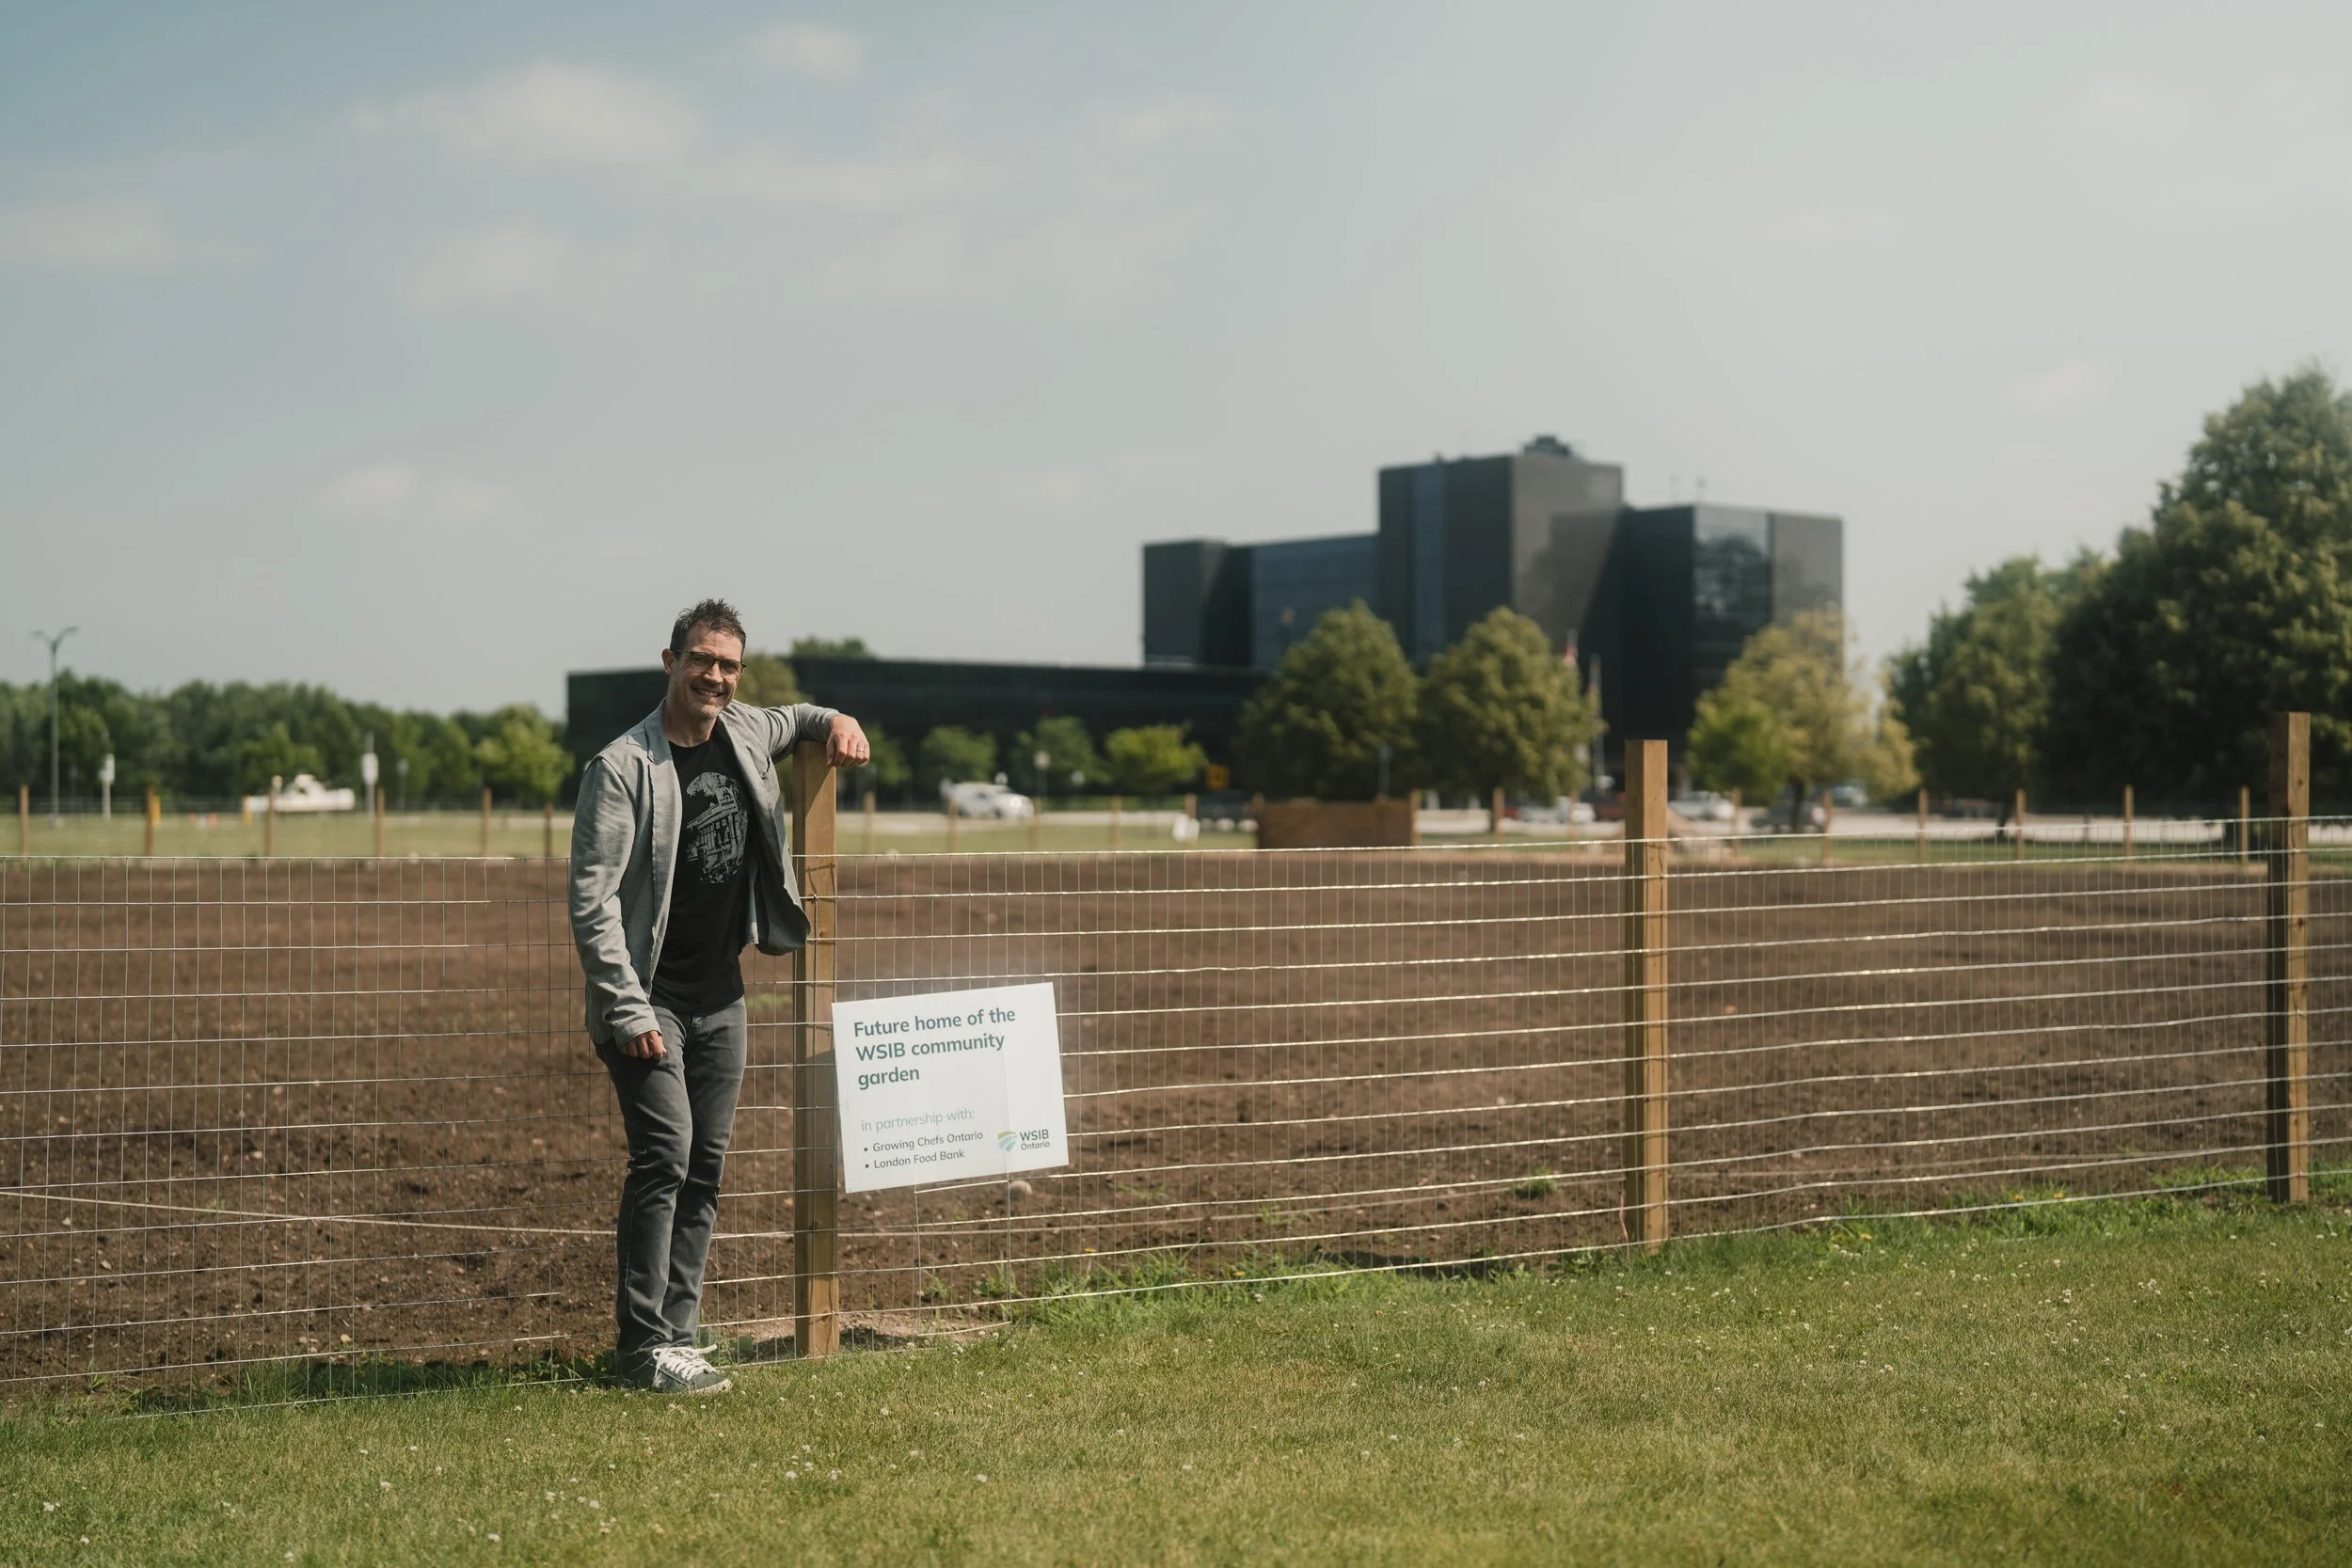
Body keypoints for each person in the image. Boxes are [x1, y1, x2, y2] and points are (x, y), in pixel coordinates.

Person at [568, 598, 869, 1394]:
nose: (716, 676)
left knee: (706, 1166)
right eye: (702, 659)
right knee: (664, 1155)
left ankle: (682, 1334)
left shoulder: (744, 731)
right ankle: (642, 1348)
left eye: (729, 664)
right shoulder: (621, 768)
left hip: (722, 996)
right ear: (669, 661)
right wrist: (627, 1008)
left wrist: (838, 719)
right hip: (649, 1001)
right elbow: (592, 903)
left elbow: (800, 715)